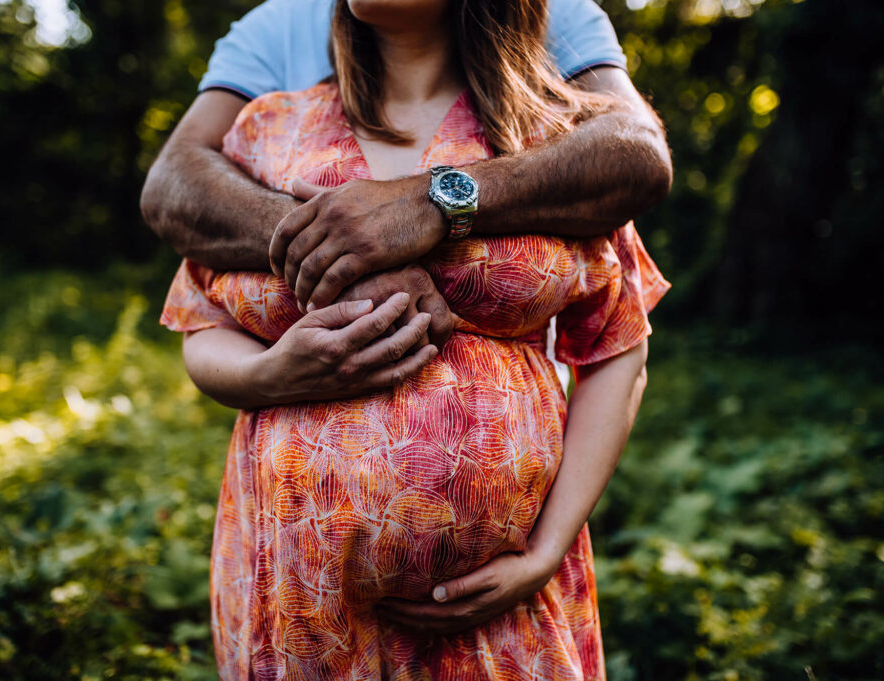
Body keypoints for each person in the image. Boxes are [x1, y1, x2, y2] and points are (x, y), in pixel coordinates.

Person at [157, 0, 669, 678]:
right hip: (305, 605)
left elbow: (617, 344)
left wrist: (548, 547)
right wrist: (272, 374)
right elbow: (202, 322)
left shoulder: (554, 139)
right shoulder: (270, 132)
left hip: (502, 607)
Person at [141, 0, 671, 349]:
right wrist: (340, 249)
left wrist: (431, 201)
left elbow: (636, 153)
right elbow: (174, 182)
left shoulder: (554, 12)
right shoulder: (275, 27)